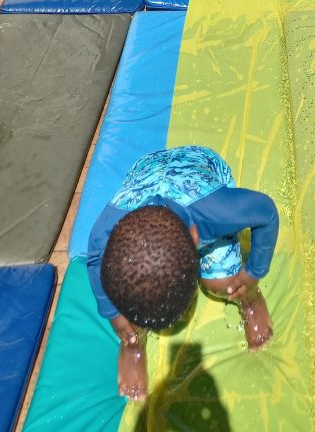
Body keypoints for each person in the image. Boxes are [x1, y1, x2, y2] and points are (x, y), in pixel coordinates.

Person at [87, 144, 278, 401]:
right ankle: (132, 341)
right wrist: (114, 315)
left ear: (197, 239)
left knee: (222, 283)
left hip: (200, 167)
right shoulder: (105, 234)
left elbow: (267, 213)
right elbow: (95, 260)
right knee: (129, 301)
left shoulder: (217, 213)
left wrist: (254, 273)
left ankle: (249, 299)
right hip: (147, 168)